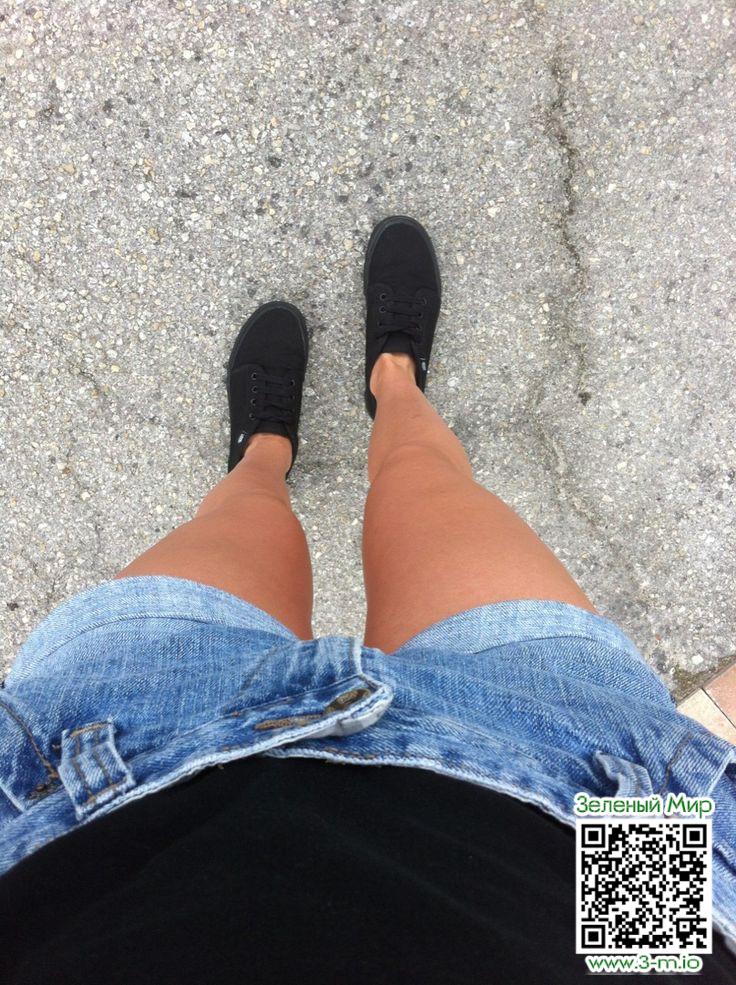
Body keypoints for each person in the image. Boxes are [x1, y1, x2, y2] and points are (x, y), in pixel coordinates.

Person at [0, 216, 734, 984]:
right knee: (427, 480)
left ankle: (269, 448)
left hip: (96, 801)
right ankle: (393, 378)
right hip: (604, 847)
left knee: (241, 521)